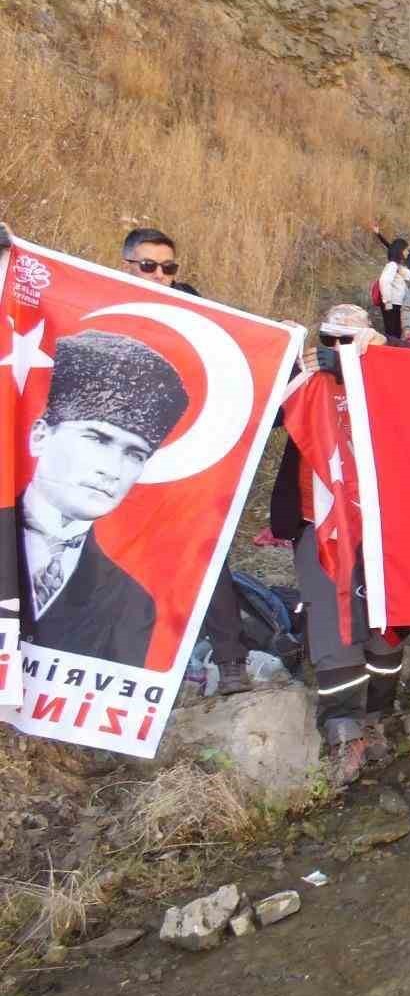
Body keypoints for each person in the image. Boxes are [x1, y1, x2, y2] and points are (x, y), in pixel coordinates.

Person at [114, 227, 258, 693]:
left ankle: (231, 662)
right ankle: (135, 667)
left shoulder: (198, 313)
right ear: (127, 265)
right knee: (126, 560)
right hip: (124, 461)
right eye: (149, 266)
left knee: (205, 557)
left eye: (169, 267)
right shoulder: (105, 303)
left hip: (187, 458)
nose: (161, 276)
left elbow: (242, 355)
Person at [268, 305, 401, 784]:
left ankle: (377, 716)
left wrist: (386, 353)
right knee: (330, 620)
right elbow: (259, 406)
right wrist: (282, 356)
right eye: (331, 340)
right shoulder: (306, 380)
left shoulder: (390, 378)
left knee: (386, 622)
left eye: (351, 340)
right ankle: (342, 728)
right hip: (318, 521)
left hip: (383, 524)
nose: (338, 351)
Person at [19, 331, 189, 668]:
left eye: (135, 454)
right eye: (96, 438)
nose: (112, 470)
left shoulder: (132, 603)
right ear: (40, 436)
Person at [377, 239, 410, 338]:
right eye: (406, 250)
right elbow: (384, 281)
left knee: (396, 331)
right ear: (400, 250)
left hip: (398, 303)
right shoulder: (392, 265)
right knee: (393, 332)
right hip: (393, 304)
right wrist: (387, 301)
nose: (408, 252)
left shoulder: (400, 267)